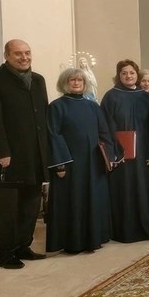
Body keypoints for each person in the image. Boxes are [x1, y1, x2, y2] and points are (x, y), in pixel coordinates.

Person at [0, 39, 49, 269]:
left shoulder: (38, 80)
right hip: (9, 155)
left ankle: (23, 246)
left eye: (27, 52)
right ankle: (6, 254)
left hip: (36, 153)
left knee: (31, 204)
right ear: (6, 55)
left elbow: (43, 116)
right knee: (8, 207)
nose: (24, 57)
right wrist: (1, 152)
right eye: (18, 53)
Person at [46, 68, 115, 254]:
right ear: (65, 83)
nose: (76, 83)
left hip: (94, 163)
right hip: (70, 163)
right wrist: (60, 163)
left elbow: (104, 133)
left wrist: (108, 156)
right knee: (73, 201)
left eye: (80, 80)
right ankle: (73, 242)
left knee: (94, 199)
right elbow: (53, 135)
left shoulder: (93, 107)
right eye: (72, 80)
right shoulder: (56, 106)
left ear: (85, 84)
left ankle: (94, 238)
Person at [100, 59, 149, 242]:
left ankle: (145, 228)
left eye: (132, 73)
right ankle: (123, 231)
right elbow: (105, 127)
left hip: (143, 153)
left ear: (137, 75)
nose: (128, 76)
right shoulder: (111, 97)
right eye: (124, 73)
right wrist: (113, 152)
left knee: (144, 190)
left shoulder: (148, 98)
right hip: (121, 153)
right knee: (123, 191)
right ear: (119, 75)